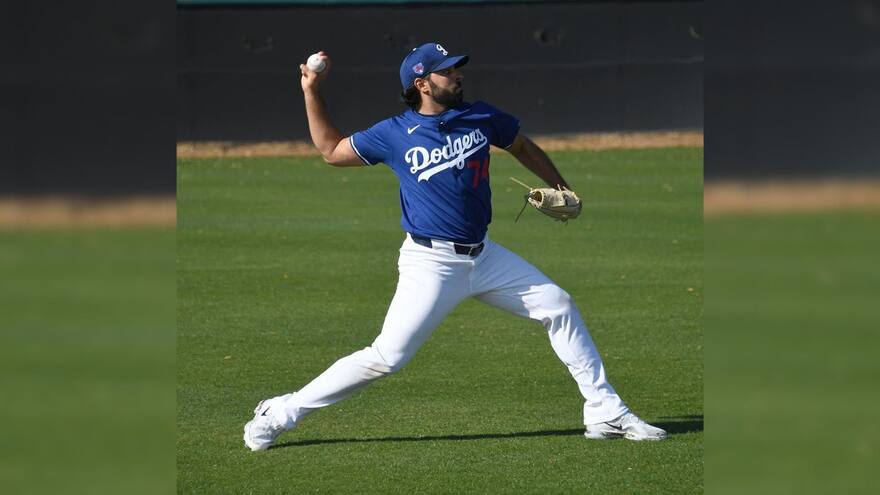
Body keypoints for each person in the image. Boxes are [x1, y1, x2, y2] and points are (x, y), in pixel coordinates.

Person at [244, 43, 667, 451]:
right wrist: (311, 90)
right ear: (423, 83)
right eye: (446, 70)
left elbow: (519, 144)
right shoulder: (394, 133)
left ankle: (604, 410)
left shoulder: (480, 115)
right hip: (431, 263)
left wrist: (559, 186)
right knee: (386, 357)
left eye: (455, 67)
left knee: (558, 305)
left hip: (484, 256)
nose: (457, 74)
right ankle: (281, 412)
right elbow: (332, 151)